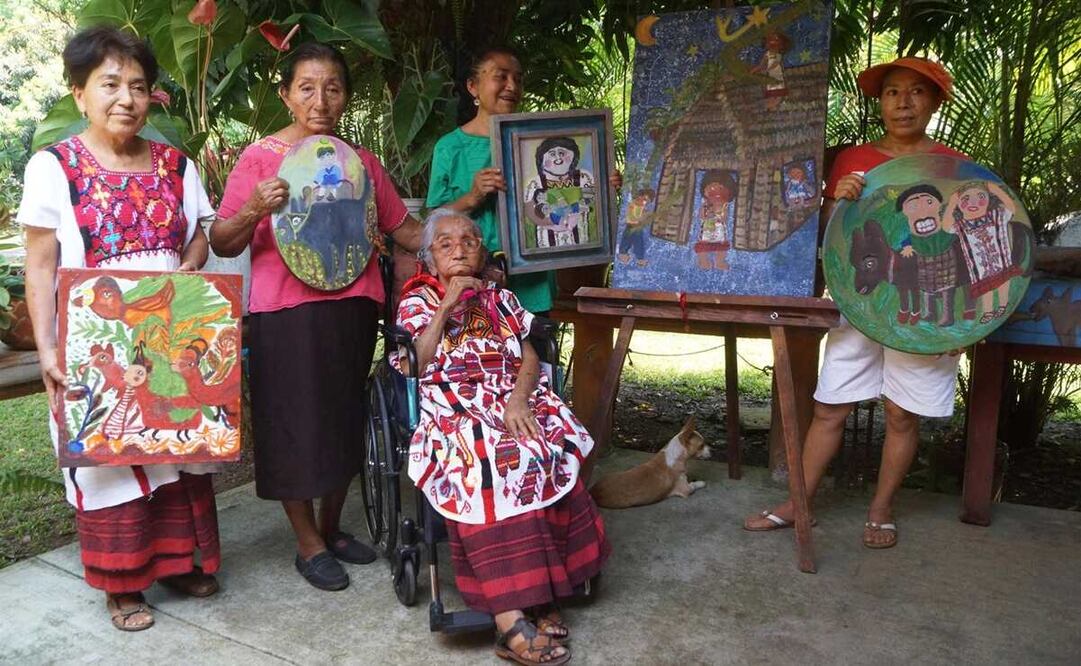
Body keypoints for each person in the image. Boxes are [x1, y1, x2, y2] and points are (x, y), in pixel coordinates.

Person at [21, 26, 219, 631]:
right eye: (109, 84)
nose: (125, 98)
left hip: (166, 331)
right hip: (95, 341)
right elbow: (40, 264)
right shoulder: (53, 167)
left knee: (176, 447)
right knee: (112, 458)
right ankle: (123, 583)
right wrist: (50, 350)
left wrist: (187, 270)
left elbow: (201, 234)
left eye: (137, 85)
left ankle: (181, 563)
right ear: (79, 93)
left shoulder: (176, 165)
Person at [210, 43, 422, 591]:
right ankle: (307, 544)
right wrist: (257, 206)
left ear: (346, 96)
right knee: (292, 426)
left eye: (332, 87)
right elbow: (223, 239)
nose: (320, 99)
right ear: (286, 94)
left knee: (343, 420)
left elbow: (406, 231)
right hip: (286, 314)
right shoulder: (259, 160)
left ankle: (329, 529)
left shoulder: (361, 163)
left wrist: (470, 215)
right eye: (306, 87)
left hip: (353, 309)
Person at [743, 57, 967, 549]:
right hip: (860, 302)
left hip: (923, 307)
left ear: (933, 102)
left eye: (915, 92)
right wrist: (837, 200)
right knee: (829, 406)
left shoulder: (954, 167)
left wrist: (963, 322)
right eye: (891, 92)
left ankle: (881, 508)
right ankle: (797, 502)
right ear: (880, 102)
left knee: (902, 414)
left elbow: (968, 241)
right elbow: (827, 237)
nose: (902, 102)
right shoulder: (852, 160)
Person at [394, 208, 609, 665]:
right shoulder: (417, 301)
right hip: (452, 407)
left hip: (510, 397)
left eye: (469, 241)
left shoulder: (500, 299)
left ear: (481, 251)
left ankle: (543, 592)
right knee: (490, 457)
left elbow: (529, 357)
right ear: (429, 259)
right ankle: (509, 617)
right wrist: (448, 304)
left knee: (549, 447)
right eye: (446, 244)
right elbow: (414, 364)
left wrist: (518, 401)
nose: (459, 249)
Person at [427, 48, 621, 315]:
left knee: (535, 353)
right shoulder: (450, 147)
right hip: (471, 282)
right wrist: (472, 196)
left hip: (532, 280)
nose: (512, 86)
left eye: (518, 79)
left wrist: (601, 184)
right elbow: (432, 221)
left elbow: (565, 193)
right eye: (501, 76)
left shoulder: (536, 143)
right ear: (473, 86)